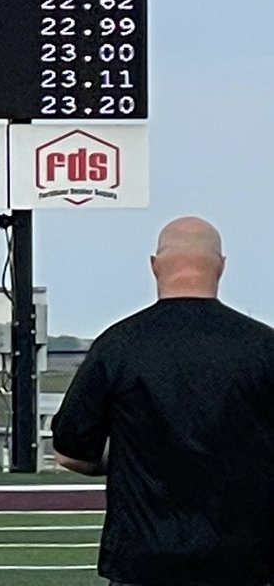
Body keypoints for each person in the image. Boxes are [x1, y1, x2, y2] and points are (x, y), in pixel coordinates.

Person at [52, 216, 274, 586]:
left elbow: (70, 450)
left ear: (155, 266)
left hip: (145, 561)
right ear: (221, 266)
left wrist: (128, 460)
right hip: (245, 562)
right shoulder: (264, 348)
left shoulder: (118, 346)